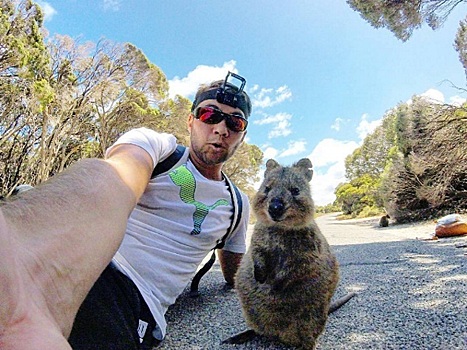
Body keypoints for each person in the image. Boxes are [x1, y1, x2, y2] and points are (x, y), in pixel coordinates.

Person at [0, 73, 252, 349]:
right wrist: (23, 234)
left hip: (132, 299)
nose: (221, 129)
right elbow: (115, 176)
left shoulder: (238, 204)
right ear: (191, 121)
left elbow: (234, 273)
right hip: (84, 257)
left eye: (234, 122)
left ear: (242, 135)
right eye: (209, 115)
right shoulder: (159, 148)